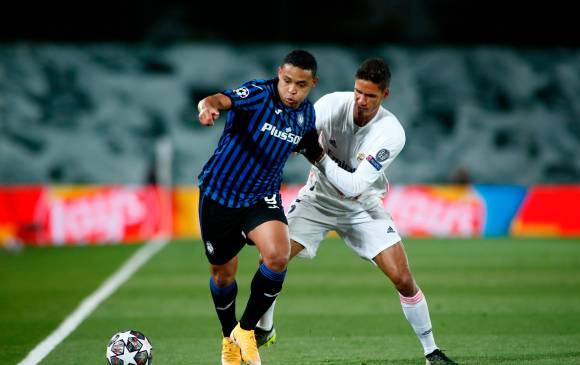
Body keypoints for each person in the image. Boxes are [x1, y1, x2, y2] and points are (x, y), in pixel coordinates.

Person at [256, 58, 458, 365]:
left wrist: (317, 155)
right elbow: (293, 132)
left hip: (362, 207)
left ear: (385, 95)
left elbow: (351, 186)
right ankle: (265, 327)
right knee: (271, 258)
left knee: (403, 278)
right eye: (358, 92)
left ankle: (431, 351)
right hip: (317, 201)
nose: (361, 101)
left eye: (371, 96)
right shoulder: (331, 105)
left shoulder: (391, 133)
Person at [196, 49, 320, 365]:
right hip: (219, 195)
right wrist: (207, 107)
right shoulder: (257, 94)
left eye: (301, 84)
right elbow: (219, 100)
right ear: (279, 74)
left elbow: (310, 148)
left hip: (260, 196)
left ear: (312, 84)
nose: (292, 90)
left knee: (277, 255)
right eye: (288, 81)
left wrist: (346, 177)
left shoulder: (307, 115)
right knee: (224, 274)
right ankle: (229, 339)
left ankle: (247, 330)